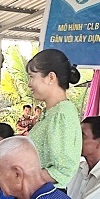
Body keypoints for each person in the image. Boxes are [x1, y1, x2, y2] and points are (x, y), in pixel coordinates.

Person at [26, 49, 82, 190]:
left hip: (47, 197)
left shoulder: (61, 115)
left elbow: (62, 170)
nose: (29, 84)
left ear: (51, 77)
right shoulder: (51, 112)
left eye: (32, 77)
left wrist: (20, 178)